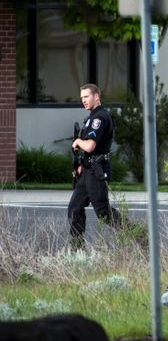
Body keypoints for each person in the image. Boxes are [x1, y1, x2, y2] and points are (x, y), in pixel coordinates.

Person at [68, 84, 125, 249]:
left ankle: (141, 237)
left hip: (97, 171)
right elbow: (88, 152)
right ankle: (77, 249)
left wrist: (78, 142)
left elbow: (90, 146)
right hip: (88, 171)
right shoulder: (91, 118)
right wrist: (80, 166)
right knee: (74, 208)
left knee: (104, 213)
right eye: (82, 98)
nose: (84, 100)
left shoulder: (99, 118)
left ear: (96, 96)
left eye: (86, 96)